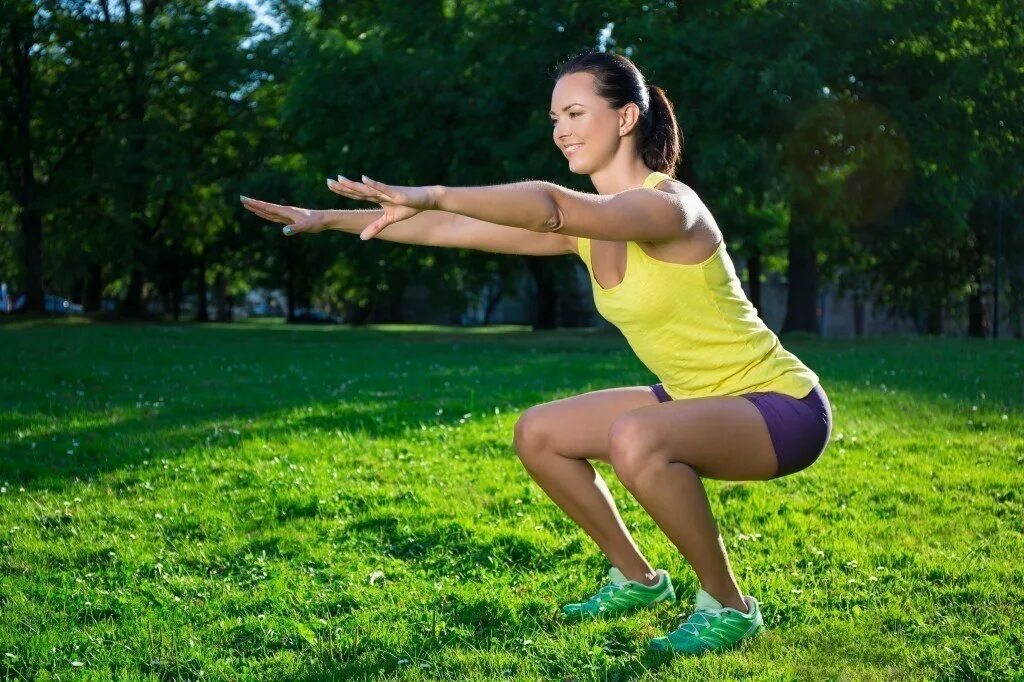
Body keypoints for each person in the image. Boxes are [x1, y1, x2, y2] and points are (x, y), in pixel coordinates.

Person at [239, 48, 832, 656]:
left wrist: (437, 191)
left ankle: (728, 606)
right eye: (555, 119)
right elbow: (451, 229)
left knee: (636, 435)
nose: (561, 131)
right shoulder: (586, 229)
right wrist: (327, 218)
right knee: (540, 433)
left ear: (626, 119)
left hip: (780, 407)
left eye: (575, 113)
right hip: (695, 397)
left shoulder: (671, 206)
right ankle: (637, 578)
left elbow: (548, 208)